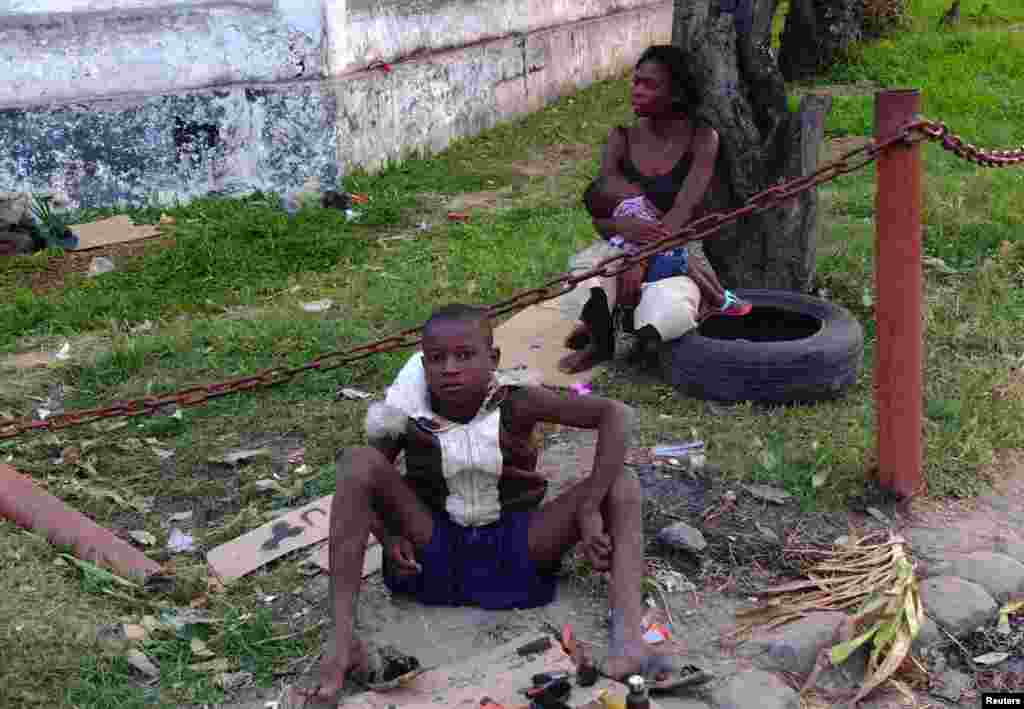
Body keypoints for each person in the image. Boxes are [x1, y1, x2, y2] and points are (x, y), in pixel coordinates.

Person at [299, 304, 683, 703]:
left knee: (622, 482)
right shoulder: (407, 412)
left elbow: (616, 415)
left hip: (518, 548)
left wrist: (589, 509)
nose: (450, 369)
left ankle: (628, 640)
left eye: (465, 355)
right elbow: (367, 480)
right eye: (437, 358)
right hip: (434, 551)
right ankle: (342, 642)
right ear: (424, 364)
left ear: (493, 359)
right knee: (356, 461)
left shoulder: (518, 401)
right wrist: (390, 532)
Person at [559, 45, 751, 374]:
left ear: (677, 94)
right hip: (622, 244)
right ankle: (601, 343)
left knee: (666, 310)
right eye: (636, 81)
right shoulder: (621, 138)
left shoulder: (702, 138)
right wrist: (622, 229)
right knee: (582, 279)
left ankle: (634, 326)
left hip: (676, 247)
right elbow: (601, 215)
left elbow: (682, 212)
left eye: (649, 84)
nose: (636, 90)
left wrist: (642, 259)